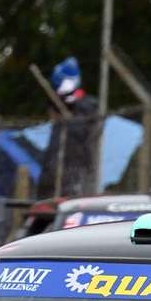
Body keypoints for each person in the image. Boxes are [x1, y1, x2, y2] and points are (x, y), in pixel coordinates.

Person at [44, 56, 100, 198]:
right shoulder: (62, 116)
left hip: (76, 179)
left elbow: (80, 134)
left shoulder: (87, 108)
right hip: (54, 180)